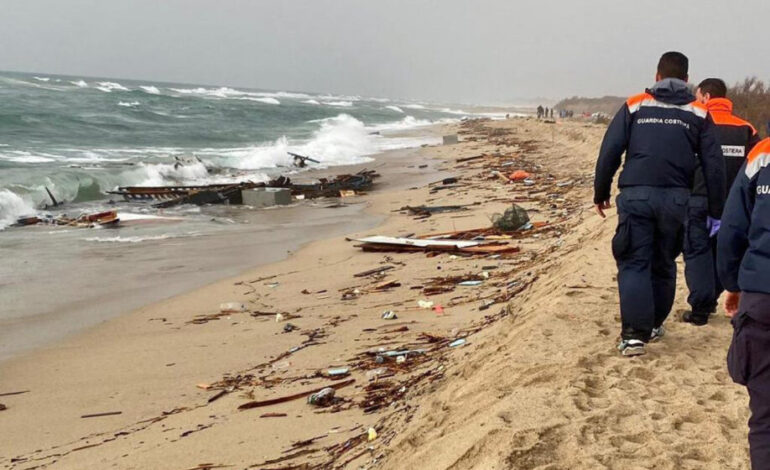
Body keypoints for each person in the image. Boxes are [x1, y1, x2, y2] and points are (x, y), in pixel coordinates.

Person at [593, 51, 726, 356]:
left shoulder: (635, 104)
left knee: (635, 261)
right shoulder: (699, 113)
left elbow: (610, 151)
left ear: (656, 76)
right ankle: (653, 325)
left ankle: (634, 336)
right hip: (677, 200)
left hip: (637, 195)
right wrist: (716, 211)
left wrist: (600, 192)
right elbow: (714, 166)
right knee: (664, 263)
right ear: (687, 80)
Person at [682, 78, 760, 326]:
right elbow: (757, 169)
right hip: (733, 205)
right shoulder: (746, 129)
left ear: (705, 97)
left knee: (696, 251)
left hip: (698, 197)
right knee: (722, 251)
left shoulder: (695, 122)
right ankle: (712, 297)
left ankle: (701, 307)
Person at [717, 138, 770, 469]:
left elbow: (733, 227)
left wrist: (733, 284)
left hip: (762, 295)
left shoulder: (762, 154)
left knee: (766, 418)